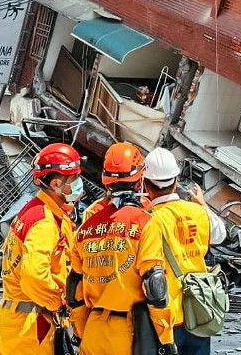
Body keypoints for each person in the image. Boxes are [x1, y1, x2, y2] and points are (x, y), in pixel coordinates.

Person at [69, 142, 177, 355]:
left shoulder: (86, 228)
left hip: (92, 330)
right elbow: (155, 284)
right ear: (140, 181)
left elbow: (75, 288)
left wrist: (80, 332)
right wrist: (166, 339)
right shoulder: (145, 223)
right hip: (128, 333)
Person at [0, 142, 84, 355]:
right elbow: (34, 275)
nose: (78, 184)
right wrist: (59, 302)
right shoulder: (44, 222)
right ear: (55, 184)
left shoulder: (34, 211)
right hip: (30, 327)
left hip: (17, 321)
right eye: (74, 180)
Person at [143, 147, 227, 355]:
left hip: (166, 318)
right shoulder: (197, 213)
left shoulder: (148, 220)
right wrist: (204, 206)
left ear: (145, 184)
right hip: (199, 310)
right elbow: (220, 235)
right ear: (176, 180)